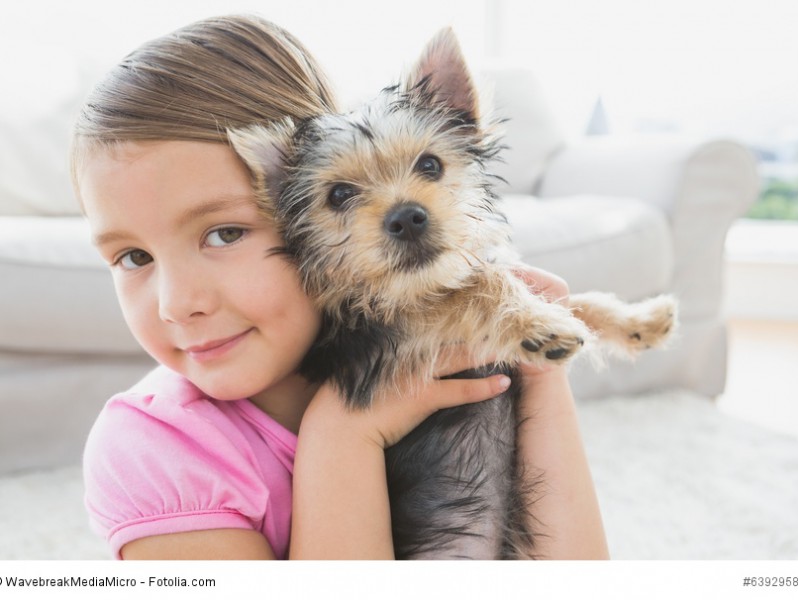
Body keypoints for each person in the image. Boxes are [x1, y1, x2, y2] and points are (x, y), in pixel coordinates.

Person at [73, 14, 609, 560]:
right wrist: (344, 432)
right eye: (133, 257)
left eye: (225, 233)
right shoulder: (151, 454)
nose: (177, 304)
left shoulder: (445, 352)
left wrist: (539, 372)